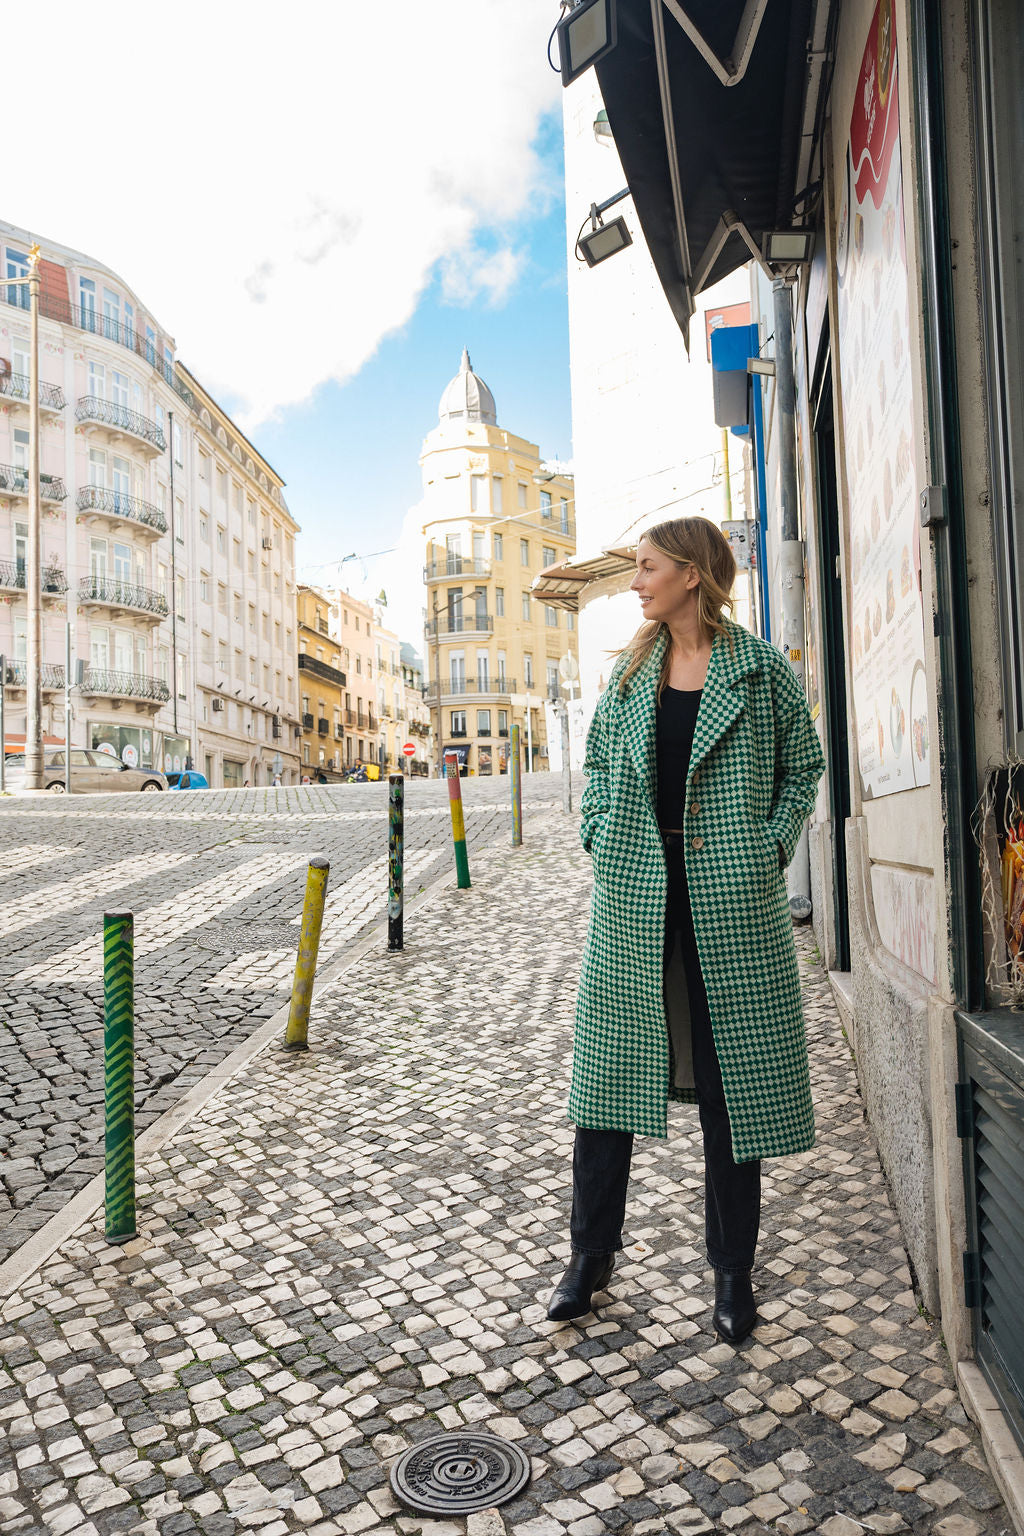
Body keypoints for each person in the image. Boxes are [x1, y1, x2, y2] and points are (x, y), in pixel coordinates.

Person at [548, 516, 825, 1342]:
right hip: (637, 896)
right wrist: (600, 828)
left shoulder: (759, 671)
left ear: (692, 576)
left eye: (648, 568)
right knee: (603, 1090)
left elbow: (803, 765)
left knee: (729, 1090)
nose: (636, 582)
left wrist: (769, 845)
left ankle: (733, 1270)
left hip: (730, 903)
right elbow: (598, 765)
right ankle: (589, 1257)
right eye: (636, 569)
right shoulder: (632, 671)